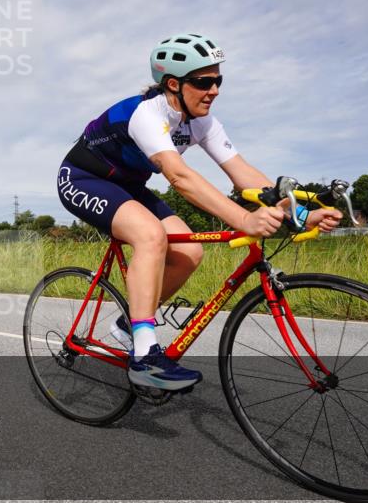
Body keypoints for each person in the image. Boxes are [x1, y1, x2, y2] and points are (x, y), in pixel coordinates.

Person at [57, 33, 342, 391]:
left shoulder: (202, 121)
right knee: (150, 236)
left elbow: (244, 175)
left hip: (128, 187)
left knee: (191, 251)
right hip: (84, 179)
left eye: (218, 80)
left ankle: (129, 325)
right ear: (173, 84)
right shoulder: (148, 113)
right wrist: (242, 219)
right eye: (204, 82)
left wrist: (296, 212)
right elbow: (179, 176)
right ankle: (145, 356)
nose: (215, 90)